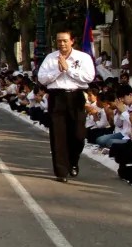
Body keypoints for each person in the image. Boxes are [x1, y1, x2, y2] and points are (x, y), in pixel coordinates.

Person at [38, 30, 96, 182]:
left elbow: (89, 77)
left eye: (64, 40)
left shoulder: (83, 58)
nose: (62, 44)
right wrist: (58, 69)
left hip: (76, 97)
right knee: (58, 135)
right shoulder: (51, 58)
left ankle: (73, 161)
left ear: (72, 41)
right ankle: (61, 171)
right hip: (57, 97)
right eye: (59, 41)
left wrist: (68, 69)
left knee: (78, 134)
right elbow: (42, 78)